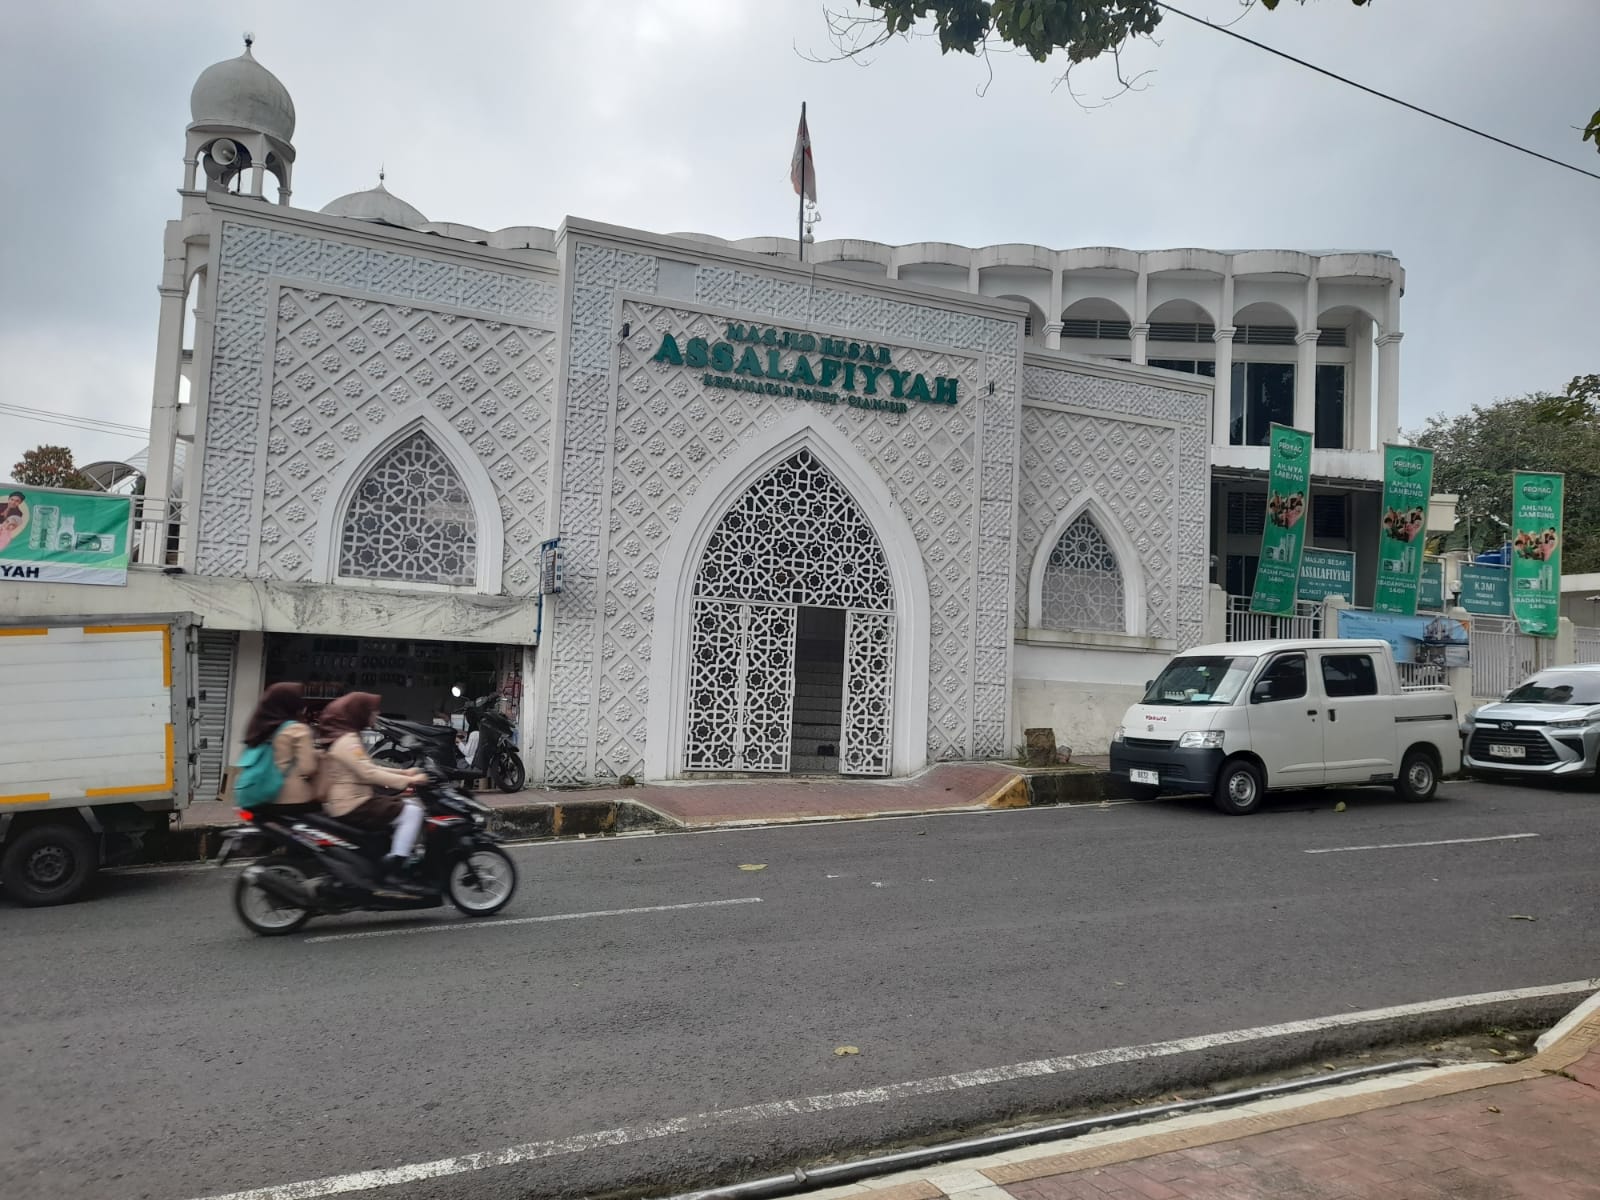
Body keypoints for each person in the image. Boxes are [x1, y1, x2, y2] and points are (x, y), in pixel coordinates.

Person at [315, 692, 429, 888]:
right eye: (372, 711)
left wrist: (405, 773)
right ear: (359, 712)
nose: (376, 714)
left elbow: (369, 767)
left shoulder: (348, 737)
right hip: (353, 804)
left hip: (354, 800)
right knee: (412, 811)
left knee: (406, 806)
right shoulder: (348, 741)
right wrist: (406, 782)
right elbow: (367, 773)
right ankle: (396, 867)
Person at [240, 681, 320, 811]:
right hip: (289, 799)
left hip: (255, 795)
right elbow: (308, 768)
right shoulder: (296, 730)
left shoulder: (258, 727)